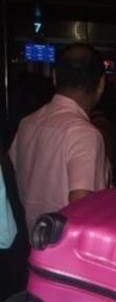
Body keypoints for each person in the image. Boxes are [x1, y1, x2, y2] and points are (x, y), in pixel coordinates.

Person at [10, 43, 109, 232]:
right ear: (101, 83)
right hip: (62, 252)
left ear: (54, 77)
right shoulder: (84, 134)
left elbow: (14, 180)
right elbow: (83, 212)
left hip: (32, 240)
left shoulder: (27, 123)